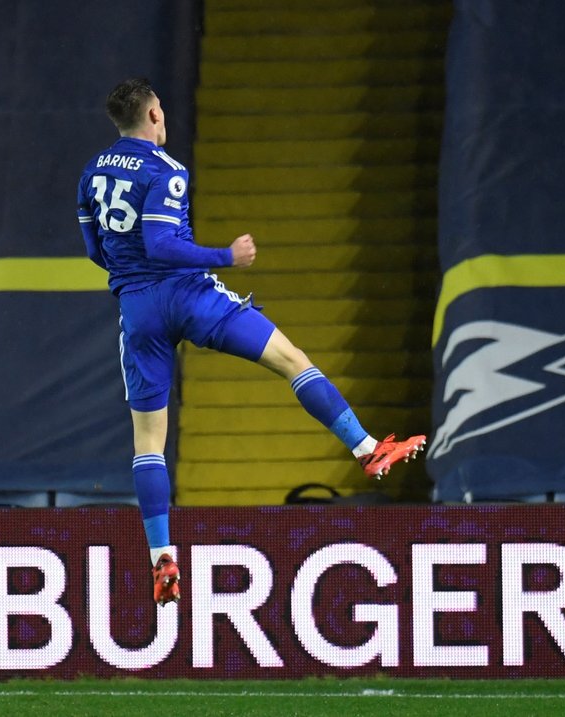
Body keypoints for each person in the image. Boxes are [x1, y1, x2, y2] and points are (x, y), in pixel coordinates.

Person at [77, 78, 426, 607]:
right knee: (291, 360)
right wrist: (226, 256)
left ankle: (162, 558)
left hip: (138, 307)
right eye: (162, 111)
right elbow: (161, 242)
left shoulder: (91, 174)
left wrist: (132, 279)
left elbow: (94, 249)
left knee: (148, 442)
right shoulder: (166, 171)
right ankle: (365, 447)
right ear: (152, 115)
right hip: (189, 296)